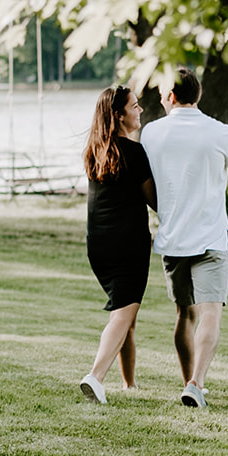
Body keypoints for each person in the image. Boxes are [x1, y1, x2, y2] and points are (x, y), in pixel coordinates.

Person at [140, 68, 228, 408]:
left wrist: (165, 209)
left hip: (173, 237)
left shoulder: (151, 133)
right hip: (210, 236)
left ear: (170, 96)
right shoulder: (219, 132)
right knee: (210, 313)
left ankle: (188, 382)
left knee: (185, 315)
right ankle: (196, 383)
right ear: (199, 94)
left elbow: (153, 181)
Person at [79, 85, 156, 404]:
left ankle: (129, 384)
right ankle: (95, 377)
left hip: (98, 243)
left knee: (127, 313)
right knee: (123, 313)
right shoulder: (134, 152)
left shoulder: (95, 151)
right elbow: (155, 201)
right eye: (135, 107)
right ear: (119, 115)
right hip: (129, 244)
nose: (141, 111)